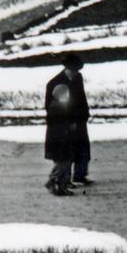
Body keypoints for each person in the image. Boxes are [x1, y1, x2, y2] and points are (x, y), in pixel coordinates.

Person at [44, 54, 87, 195]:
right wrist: (69, 123)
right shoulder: (56, 85)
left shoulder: (75, 79)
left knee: (68, 156)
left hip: (68, 126)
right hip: (62, 129)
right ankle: (56, 183)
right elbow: (54, 112)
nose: (76, 73)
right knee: (64, 157)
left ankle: (59, 183)